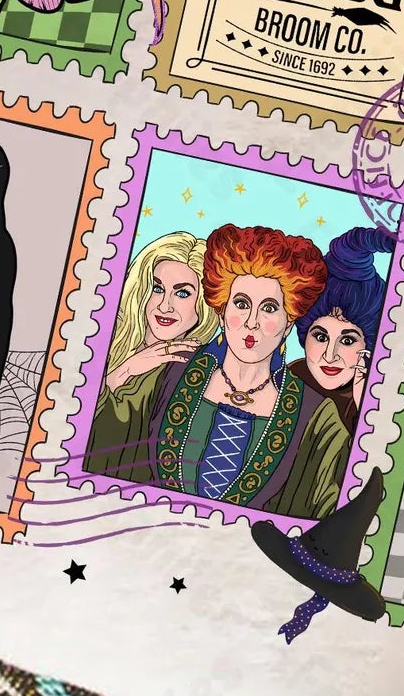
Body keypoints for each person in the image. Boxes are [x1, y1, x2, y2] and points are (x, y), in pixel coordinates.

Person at [86, 222, 350, 519]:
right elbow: (97, 456)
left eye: (269, 308)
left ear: (289, 322)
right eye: (241, 304)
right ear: (222, 312)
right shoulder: (168, 373)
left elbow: (324, 518)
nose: (252, 322)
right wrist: (120, 376)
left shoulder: (316, 418)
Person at [287, 225, 393, 436]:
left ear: (369, 345)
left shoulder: (382, 397)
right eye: (320, 336)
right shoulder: (288, 380)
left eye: (347, 341)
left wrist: (365, 408)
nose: (330, 356)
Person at [101, 230, 219, 395]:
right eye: (157, 289)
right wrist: (124, 371)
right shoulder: (104, 338)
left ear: (204, 303)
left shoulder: (200, 370)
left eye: (182, 293)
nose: (164, 307)